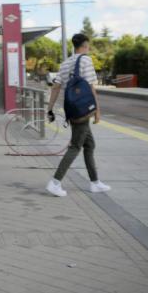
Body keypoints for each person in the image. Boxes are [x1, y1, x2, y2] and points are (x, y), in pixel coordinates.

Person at [45, 33, 111, 197]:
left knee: (89, 145)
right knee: (75, 146)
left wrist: (50, 109)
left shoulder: (66, 62)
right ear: (85, 45)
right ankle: (55, 182)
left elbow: (55, 87)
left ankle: (95, 182)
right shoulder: (86, 60)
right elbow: (90, 87)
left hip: (71, 108)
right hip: (83, 109)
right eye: (88, 46)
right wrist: (97, 110)